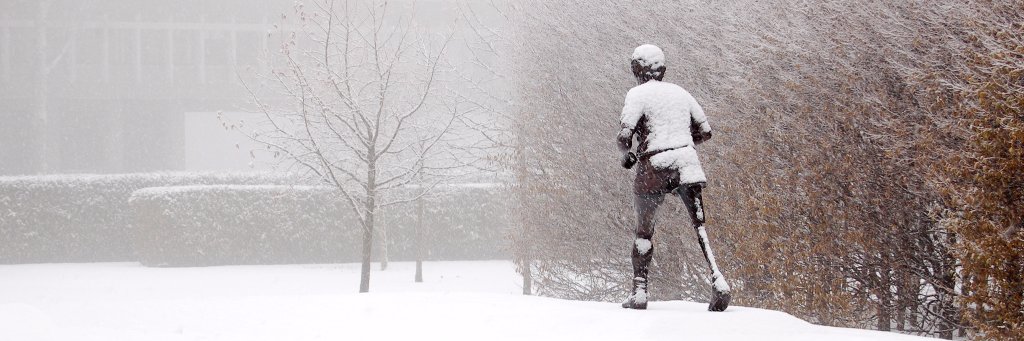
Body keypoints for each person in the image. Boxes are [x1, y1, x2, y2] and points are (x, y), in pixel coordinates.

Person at [617, 44, 731, 311]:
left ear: (636, 70)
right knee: (699, 226)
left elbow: (624, 138)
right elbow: (705, 131)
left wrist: (627, 156)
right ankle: (718, 280)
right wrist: (680, 142)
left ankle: (640, 290)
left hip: (653, 166)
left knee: (644, 232)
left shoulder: (637, 95)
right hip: (686, 163)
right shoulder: (681, 94)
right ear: (663, 70)